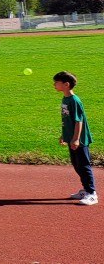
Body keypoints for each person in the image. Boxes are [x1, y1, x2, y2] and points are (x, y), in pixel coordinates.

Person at [53, 71, 97, 206]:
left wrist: (76, 139)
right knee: (76, 164)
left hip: (80, 139)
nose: (54, 85)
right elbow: (67, 120)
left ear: (66, 85)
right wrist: (64, 135)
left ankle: (92, 194)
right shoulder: (65, 99)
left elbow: (79, 121)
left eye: (56, 82)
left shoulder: (74, 100)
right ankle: (85, 190)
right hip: (71, 138)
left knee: (84, 165)